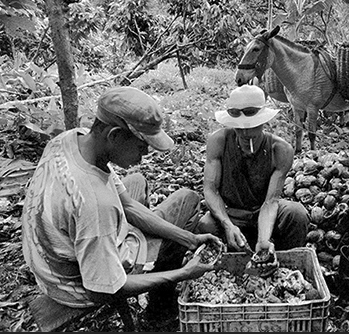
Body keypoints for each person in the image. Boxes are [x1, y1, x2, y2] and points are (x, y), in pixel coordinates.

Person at [22, 86, 221, 312]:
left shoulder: (70, 138)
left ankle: (158, 255)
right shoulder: (94, 205)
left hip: (48, 265)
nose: (145, 153)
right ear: (114, 135)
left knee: (136, 180)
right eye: (141, 145)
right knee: (187, 200)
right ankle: (159, 308)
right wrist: (183, 273)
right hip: (74, 287)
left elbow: (127, 205)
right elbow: (104, 290)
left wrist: (190, 239)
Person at [197, 84, 309, 275]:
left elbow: (271, 201)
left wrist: (263, 240)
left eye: (251, 126)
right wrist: (227, 224)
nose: (245, 133)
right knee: (205, 224)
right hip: (231, 213)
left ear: (264, 121)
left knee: (296, 213)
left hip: (263, 211)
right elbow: (210, 190)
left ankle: (284, 265)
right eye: (239, 128)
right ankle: (223, 270)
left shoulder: (280, 150)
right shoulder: (218, 141)